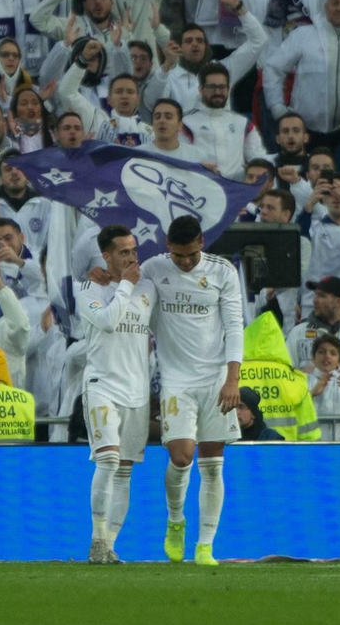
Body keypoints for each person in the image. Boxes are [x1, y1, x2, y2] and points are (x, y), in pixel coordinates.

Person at [141, 214, 244, 566]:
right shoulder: (153, 269)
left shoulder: (222, 271)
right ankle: (175, 520)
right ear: (168, 246)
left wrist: (232, 378)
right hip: (175, 380)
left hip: (215, 378)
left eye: (191, 255)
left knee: (213, 465)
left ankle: (205, 546)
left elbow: (234, 325)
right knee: (181, 456)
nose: (185, 262)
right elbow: (128, 293)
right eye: (178, 256)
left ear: (202, 242)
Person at [76, 224, 155, 564]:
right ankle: (96, 539)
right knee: (107, 460)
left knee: (124, 471)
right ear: (106, 256)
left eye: (134, 250)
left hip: (137, 391)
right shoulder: (89, 288)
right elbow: (108, 322)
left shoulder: (148, 287)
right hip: (102, 385)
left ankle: (109, 545)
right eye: (123, 252)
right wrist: (125, 285)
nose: (131, 257)